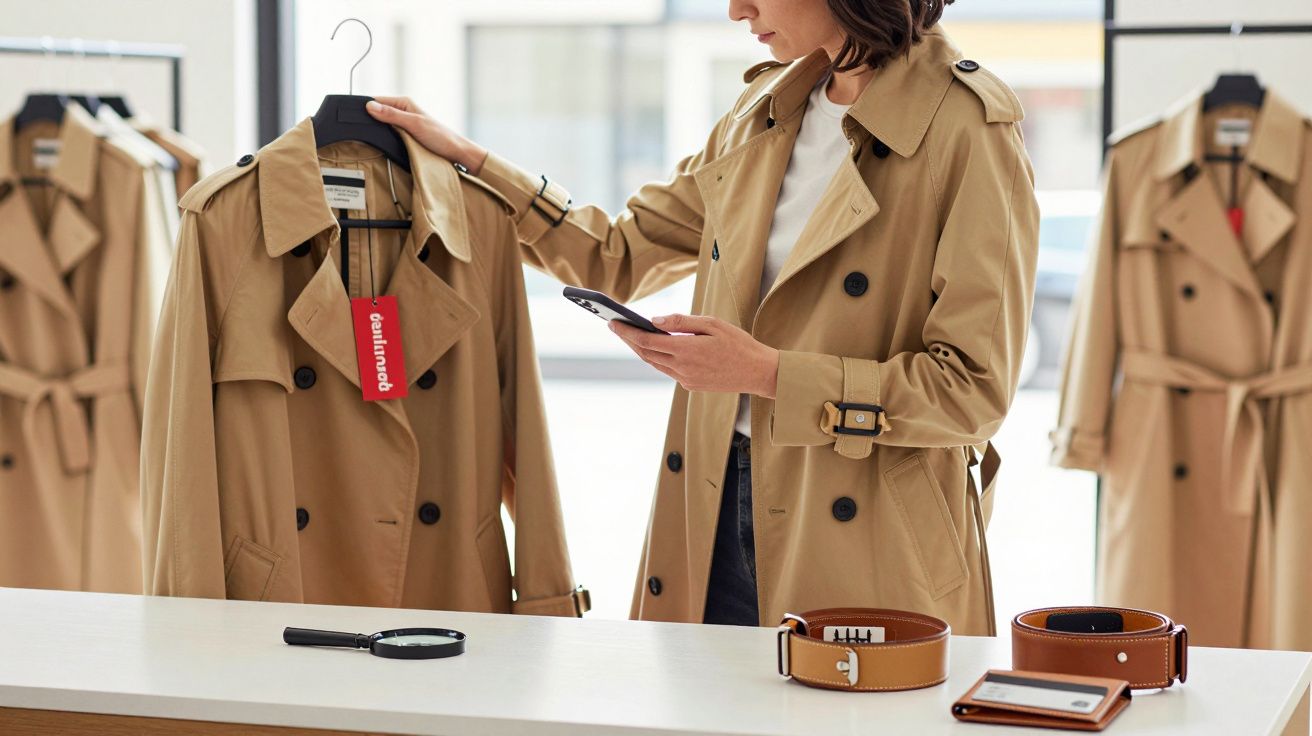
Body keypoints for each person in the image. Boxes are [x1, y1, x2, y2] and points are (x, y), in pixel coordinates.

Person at [367, 0, 1039, 633]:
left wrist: (767, 373)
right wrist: (472, 162)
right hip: (716, 500)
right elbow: (615, 254)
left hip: (870, 529)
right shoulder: (764, 110)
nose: (736, 9)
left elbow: (971, 391)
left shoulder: (968, 129)